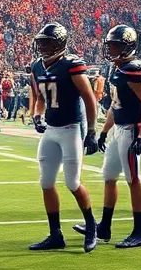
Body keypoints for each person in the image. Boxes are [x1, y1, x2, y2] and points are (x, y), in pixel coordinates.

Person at [26, 23, 100, 252]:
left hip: (71, 128)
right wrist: (37, 116)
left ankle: (91, 227)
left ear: (58, 42)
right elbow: (39, 97)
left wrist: (91, 131)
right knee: (46, 182)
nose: (42, 46)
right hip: (52, 130)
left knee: (72, 182)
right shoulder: (37, 67)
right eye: (40, 41)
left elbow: (89, 98)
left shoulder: (71, 64)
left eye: (46, 41)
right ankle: (55, 234)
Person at [88, 25, 141, 249]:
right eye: (111, 45)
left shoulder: (133, 70)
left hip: (132, 129)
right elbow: (115, 107)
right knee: (109, 176)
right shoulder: (116, 69)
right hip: (119, 128)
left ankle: (139, 232)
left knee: (133, 180)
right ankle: (104, 226)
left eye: (116, 45)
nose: (112, 49)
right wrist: (104, 131)